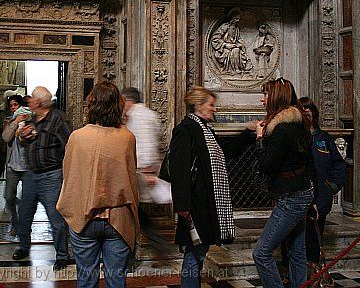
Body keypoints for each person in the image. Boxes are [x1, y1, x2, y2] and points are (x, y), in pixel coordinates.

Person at [58, 82, 139, 288]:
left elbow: (69, 176)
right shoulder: (127, 138)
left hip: (84, 215)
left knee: (86, 280)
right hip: (118, 218)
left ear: (91, 105)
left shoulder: (77, 137)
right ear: (118, 106)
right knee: (116, 280)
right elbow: (131, 177)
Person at [169, 87, 250, 288]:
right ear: (198, 106)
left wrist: (248, 132)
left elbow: (227, 150)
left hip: (205, 203)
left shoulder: (204, 130)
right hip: (194, 205)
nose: (214, 109)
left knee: (199, 251)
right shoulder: (186, 129)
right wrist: (183, 206)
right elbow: (179, 170)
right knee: (194, 252)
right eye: (211, 105)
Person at [252, 78, 313, 288]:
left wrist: (259, 139)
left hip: (291, 198)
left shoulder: (282, 129)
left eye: (266, 95)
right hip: (301, 192)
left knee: (261, 253)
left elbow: (267, 165)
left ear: (276, 97)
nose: (263, 100)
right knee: (297, 251)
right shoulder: (298, 122)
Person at [13, 86, 72, 270]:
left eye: (31, 98)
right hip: (31, 175)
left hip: (51, 175)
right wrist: (24, 138)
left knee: (55, 218)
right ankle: (23, 246)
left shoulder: (58, 119)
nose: (28, 100)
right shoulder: (33, 118)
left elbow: (69, 146)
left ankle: (62, 255)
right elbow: (30, 142)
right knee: (24, 214)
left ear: (37, 102)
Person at [299, 97, 345, 282]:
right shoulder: (296, 136)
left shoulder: (323, 138)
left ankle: (313, 274)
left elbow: (338, 167)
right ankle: (296, 274)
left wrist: (329, 188)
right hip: (300, 196)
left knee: (314, 237)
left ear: (314, 112)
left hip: (320, 198)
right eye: (302, 109)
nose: (306, 111)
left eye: (309, 108)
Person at [121, 87, 167, 248]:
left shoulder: (134, 117)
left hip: (138, 171)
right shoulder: (151, 114)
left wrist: (143, 170)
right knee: (136, 211)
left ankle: (154, 243)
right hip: (149, 168)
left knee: (132, 211)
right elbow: (155, 143)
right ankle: (154, 242)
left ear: (128, 101)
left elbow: (140, 146)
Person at [2, 94, 30, 237]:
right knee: (9, 197)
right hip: (12, 165)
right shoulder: (9, 121)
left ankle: (24, 227)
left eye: (16, 105)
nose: (14, 108)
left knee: (27, 199)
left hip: (27, 166)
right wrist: (15, 123)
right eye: (11, 106)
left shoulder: (31, 119)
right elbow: (6, 137)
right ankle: (15, 221)